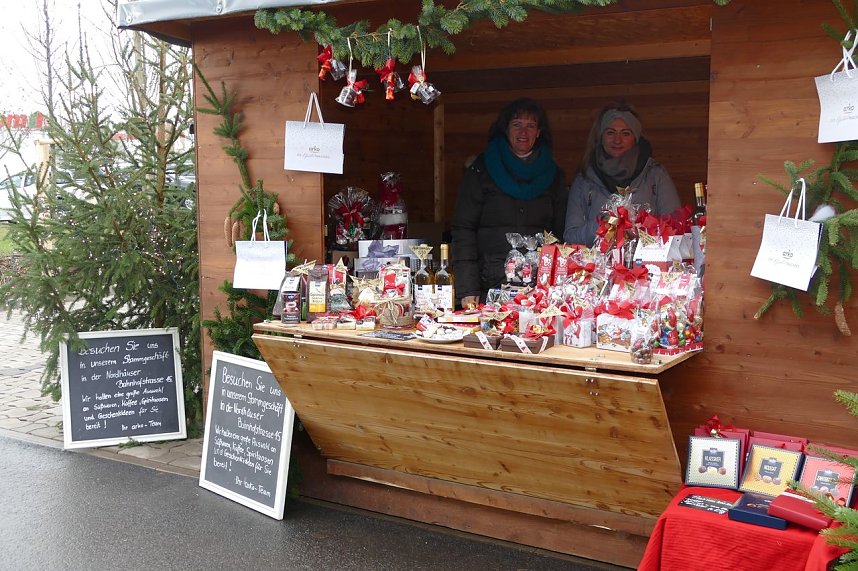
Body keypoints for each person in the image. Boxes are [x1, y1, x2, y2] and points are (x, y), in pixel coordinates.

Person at [451, 98, 568, 307]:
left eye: (531, 126)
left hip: (538, 288)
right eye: (517, 125)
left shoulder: (554, 175)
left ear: (539, 132)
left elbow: (560, 234)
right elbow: (463, 230)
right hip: (490, 286)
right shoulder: (481, 170)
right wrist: (467, 289)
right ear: (505, 129)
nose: (524, 132)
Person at [563, 102, 680, 246]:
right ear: (601, 137)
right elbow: (570, 236)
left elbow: (676, 227)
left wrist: (641, 228)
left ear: (635, 138)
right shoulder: (584, 179)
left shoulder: (655, 175)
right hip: (598, 266)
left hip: (647, 266)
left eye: (625, 133)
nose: (617, 140)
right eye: (610, 133)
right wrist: (602, 226)